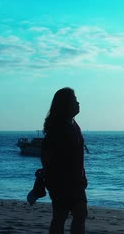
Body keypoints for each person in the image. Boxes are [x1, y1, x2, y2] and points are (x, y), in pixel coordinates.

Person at [41, 87, 88, 234]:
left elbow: (78, 157)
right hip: (61, 182)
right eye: (74, 100)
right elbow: (48, 157)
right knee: (61, 217)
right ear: (65, 104)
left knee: (80, 214)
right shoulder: (57, 128)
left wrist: (82, 175)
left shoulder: (74, 125)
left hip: (75, 181)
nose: (78, 103)